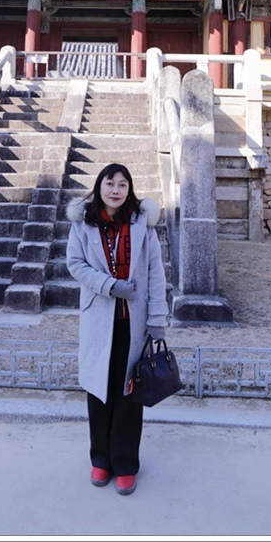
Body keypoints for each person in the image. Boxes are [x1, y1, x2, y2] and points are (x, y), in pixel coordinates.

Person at [66, 163, 169, 495]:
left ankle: (125, 463)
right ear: (99, 186)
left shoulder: (142, 225)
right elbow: (75, 264)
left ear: (129, 189)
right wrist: (110, 285)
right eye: (110, 183)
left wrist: (157, 319)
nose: (115, 190)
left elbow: (155, 273)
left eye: (122, 184)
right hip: (99, 319)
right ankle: (100, 459)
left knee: (128, 392)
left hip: (133, 322)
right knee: (99, 390)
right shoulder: (83, 224)